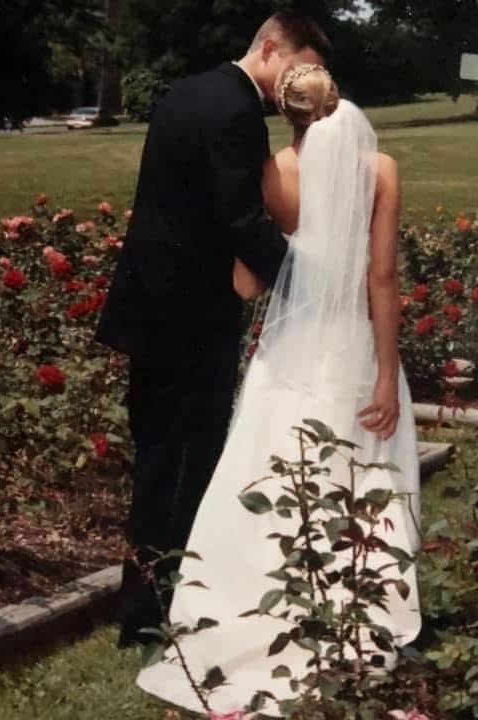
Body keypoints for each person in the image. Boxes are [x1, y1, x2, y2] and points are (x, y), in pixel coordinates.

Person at [135, 65, 422, 716]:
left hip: (290, 353)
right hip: (352, 348)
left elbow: (247, 283)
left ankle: (255, 606)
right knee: (362, 479)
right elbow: (381, 281)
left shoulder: (273, 175)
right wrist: (385, 372)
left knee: (268, 471)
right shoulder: (381, 170)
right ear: (339, 101)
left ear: (285, 115)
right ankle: (358, 615)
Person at [95, 13, 333, 649]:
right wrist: (310, 287)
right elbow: (243, 223)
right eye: (297, 66)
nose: (298, 81)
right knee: (184, 463)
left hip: (149, 305)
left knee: (155, 457)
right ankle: (152, 613)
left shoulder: (184, 93)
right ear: (271, 47)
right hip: (190, 318)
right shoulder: (236, 114)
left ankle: (142, 600)